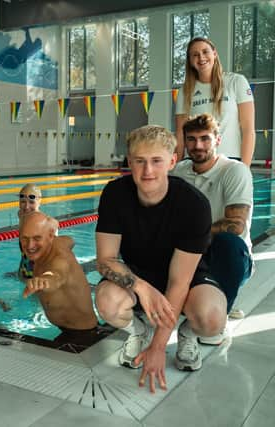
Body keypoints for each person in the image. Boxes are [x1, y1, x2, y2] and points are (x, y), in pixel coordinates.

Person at [95, 125, 222, 394]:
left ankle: (187, 334)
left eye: (156, 161)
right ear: (129, 162)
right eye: (139, 161)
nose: (147, 171)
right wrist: (142, 287)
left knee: (212, 319)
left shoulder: (193, 205)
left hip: (187, 277)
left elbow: (179, 281)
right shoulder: (115, 194)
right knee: (107, 301)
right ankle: (139, 331)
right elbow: (105, 261)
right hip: (138, 274)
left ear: (172, 161)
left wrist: (159, 347)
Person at [173, 113, 253, 321]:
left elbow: (236, 225)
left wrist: (193, 236)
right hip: (188, 252)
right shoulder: (178, 172)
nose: (198, 145)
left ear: (218, 140)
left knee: (229, 242)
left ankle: (221, 310)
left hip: (225, 257)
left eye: (205, 138)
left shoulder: (234, 172)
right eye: (191, 139)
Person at [175, 37, 255, 166]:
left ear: (214, 53)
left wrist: (244, 168)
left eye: (205, 52)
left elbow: (248, 129)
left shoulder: (236, 82)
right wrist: (175, 167)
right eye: (195, 55)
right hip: (195, 162)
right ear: (190, 61)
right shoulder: (185, 91)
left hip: (230, 160)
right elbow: (180, 133)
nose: (201, 57)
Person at [20, 212, 98, 334]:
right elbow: (70, 240)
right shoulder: (59, 242)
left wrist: (44, 280)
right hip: (66, 329)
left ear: (50, 236)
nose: (30, 245)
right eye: (25, 238)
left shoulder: (60, 260)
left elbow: (57, 275)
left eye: (37, 238)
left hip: (82, 336)